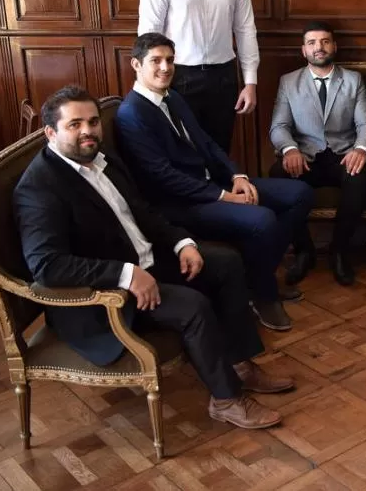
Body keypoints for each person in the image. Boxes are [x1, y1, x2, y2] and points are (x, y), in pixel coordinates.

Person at [13, 85, 294, 430]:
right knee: (193, 306)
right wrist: (126, 275)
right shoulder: (39, 187)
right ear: (51, 133)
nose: (88, 131)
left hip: (143, 261)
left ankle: (239, 365)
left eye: (92, 121)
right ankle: (226, 400)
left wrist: (181, 243)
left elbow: (142, 212)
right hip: (103, 298)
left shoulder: (102, 158)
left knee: (226, 263)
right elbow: (47, 266)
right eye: (74, 125)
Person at [114, 33, 314, 332]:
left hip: (212, 185)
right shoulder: (131, 114)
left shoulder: (172, 97)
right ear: (136, 64)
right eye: (155, 61)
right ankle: (263, 293)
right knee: (263, 220)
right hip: (178, 203)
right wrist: (224, 196)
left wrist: (238, 176)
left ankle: (255, 279)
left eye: (169, 60)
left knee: (300, 193)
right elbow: (162, 177)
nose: (165, 68)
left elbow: (206, 143)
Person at [138, 0, 259, 153]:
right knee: (182, 150)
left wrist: (250, 82)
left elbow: (246, 31)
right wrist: (151, 83)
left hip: (223, 76)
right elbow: (149, 36)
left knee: (219, 148)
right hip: (177, 76)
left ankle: (222, 194)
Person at [269, 21, 366, 286]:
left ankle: (339, 251)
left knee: (359, 175)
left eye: (325, 41)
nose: (319, 47)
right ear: (303, 50)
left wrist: (361, 149)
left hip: (343, 154)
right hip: (305, 156)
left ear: (334, 46)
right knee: (277, 174)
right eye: (312, 42)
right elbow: (279, 126)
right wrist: (290, 149)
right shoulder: (288, 82)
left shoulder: (353, 80)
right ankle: (304, 250)